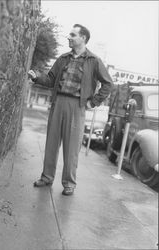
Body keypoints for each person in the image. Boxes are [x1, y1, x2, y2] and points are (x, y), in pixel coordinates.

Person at [28, 24, 113, 196]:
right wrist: (37, 77)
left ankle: (69, 183)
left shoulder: (93, 61)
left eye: (73, 35)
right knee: (51, 143)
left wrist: (93, 102)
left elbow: (108, 84)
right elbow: (51, 79)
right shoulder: (63, 58)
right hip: (58, 102)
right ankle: (46, 177)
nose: (69, 37)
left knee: (72, 147)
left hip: (77, 106)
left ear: (83, 38)